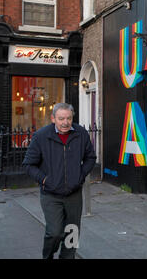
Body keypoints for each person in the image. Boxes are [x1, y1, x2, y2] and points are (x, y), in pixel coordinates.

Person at [23, 103, 97, 259]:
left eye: (69, 118)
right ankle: (48, 256)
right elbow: (29, 165)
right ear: (53, 119)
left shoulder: (81, 133)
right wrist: (45, 180)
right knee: (54, 232)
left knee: (72, 232)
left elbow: (90, 158)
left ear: (72, 118)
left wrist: (80, 175)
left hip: (73, 193)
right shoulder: (41, 136)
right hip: (51, 194)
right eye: (61, 118)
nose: (65, 122)